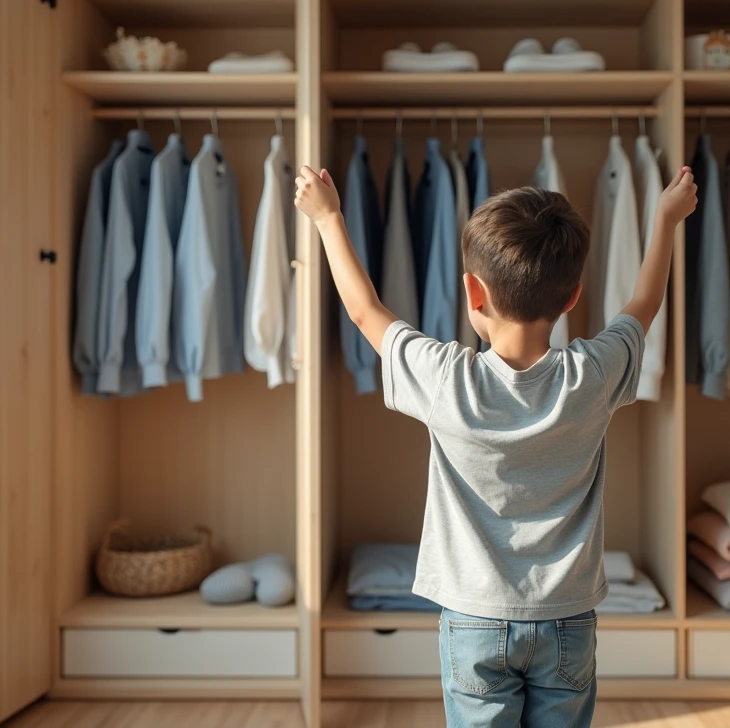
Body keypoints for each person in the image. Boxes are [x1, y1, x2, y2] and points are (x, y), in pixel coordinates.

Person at [295, 164, 697, 728]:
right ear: (574, 296)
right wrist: (664, 220)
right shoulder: (592, 375)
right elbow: (644, 304)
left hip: (474, 618)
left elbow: (366, 311)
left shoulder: (446, 381)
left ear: (472, 291)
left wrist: (328, 217)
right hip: (568, 617)